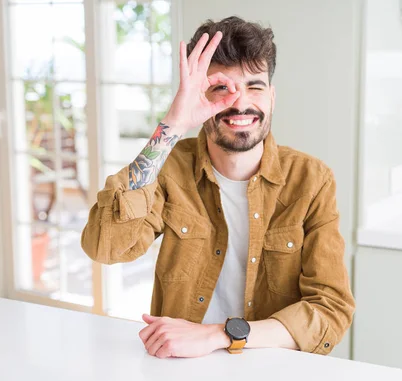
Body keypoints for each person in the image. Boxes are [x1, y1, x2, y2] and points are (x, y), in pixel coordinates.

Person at [81, 16, 355, 359]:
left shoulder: (312, 180)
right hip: (179, 366)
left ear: (271, 96)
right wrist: (172, 125)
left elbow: (331, 309)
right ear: (198, 96)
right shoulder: (168, 168)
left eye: (254, 86)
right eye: (221, 87)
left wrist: (219, 335)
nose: (239, 103)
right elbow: (104, 246)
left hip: (274, 367)